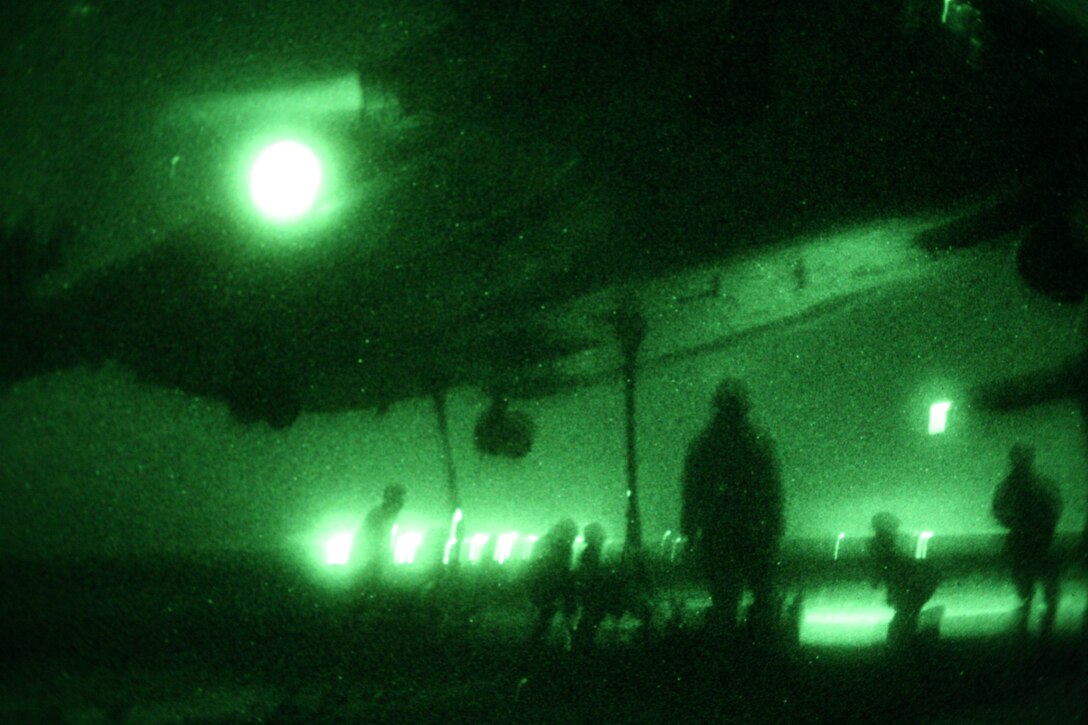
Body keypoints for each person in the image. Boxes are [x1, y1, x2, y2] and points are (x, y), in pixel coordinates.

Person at [681, 377, 784, 639]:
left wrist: (690, 531)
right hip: (752, 530)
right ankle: (762, 654)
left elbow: (692, 492)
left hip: (721, 531)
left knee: (726, 600)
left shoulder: (704, 444)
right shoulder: (758, 441)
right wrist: (774, 526)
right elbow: (773, 490)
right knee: (761, 596)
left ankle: (727, 655)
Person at [992, 443, 1063, 637]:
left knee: (1029, 581)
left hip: (1028, 537)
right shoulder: (1039, 484)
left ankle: (1031, 619)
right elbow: (1055, 506)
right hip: (1034, 537)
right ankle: (1040, 621)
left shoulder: (1012, 486)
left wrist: (1016, 523)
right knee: (1036, 580)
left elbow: (999, 510)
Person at [868, 512, 940, 649]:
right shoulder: (885, 544)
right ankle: (905, 644)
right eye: (893, 527)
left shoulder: (880, 544)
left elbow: (883, 567)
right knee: (907, 614)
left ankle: (902, 644)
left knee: (906, 614)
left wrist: (880, 583)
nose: (896, 530)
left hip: (905, 585)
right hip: (907, 585)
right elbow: (888, 566)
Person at [526, 518, 578, 646]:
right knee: (554, 617)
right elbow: (561, 569)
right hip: (552, 587)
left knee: (545, 617)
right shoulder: (561, 546)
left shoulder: (545, 542)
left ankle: (536, 645)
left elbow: (535, 566)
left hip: (546, 587)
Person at [361, 484, 406, 585]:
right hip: (373, 563)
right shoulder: (378, 515)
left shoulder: (388, 515)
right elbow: (371, 542)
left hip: (378, 563)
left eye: (401, 498)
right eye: (399, 498)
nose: (402, 503)